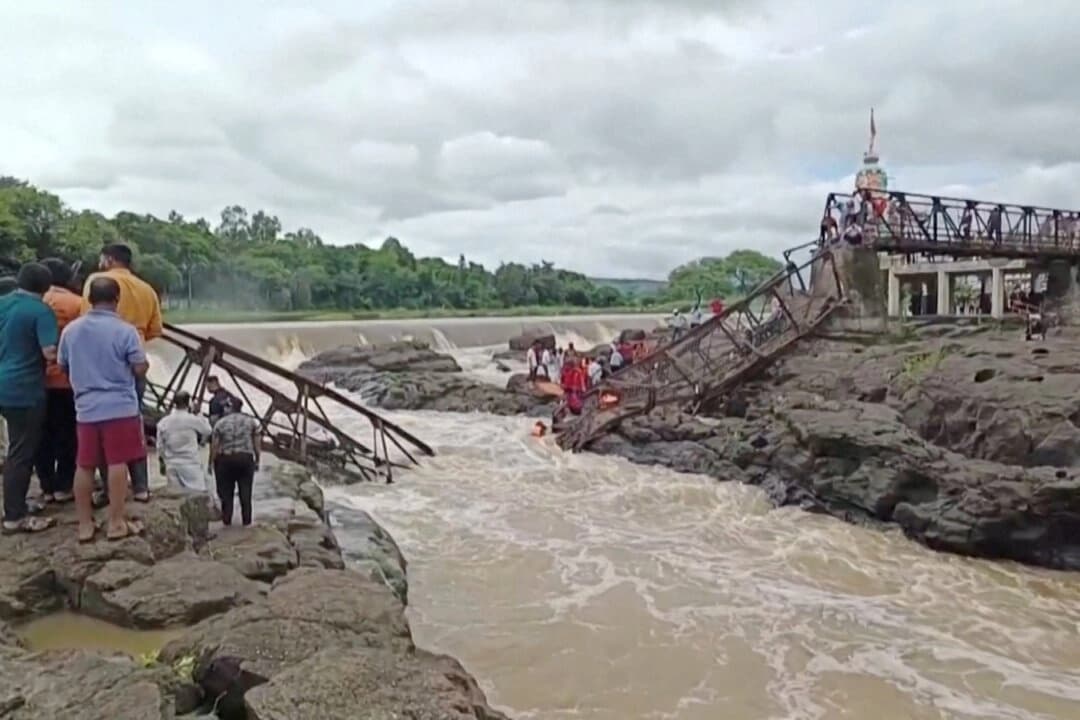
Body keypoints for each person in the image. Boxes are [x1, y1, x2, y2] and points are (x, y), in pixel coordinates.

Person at [60, 276, 148, 542]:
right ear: (117, 299)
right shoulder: (125, 331)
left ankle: (85, 526)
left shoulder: (71, 331)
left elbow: (63, 365)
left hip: (86, 408)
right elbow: (139, 367)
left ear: (89, 299)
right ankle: (115, 523)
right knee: (117, 462)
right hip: (120, 407)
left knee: (85, 465)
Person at [81, 244, 161, 503]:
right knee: (134, 422)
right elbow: (154, 330)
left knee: (104, 428)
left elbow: (86, 318)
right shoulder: (146, 289)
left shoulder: (96, 280)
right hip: (134, 361)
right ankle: (141, 487)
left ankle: (109, 490)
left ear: (109, 259)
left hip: (100, 363)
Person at [0, 264, 59, 533]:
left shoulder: (3, 303)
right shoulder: (40, 311)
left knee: (15, 447)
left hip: (3, 383)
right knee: (21, 453)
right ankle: (14, 516)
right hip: (23, 388)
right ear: (47, 288)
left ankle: (18, 503)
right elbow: (50, 353)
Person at [35, 258, 81, 504]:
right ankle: (65, 485)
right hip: (67, 380)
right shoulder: (77, 304)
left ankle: (46, 486)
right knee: (68, 434)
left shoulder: (36, 302)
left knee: (42, 436)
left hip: (37, 380)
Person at [211, 397, 260, 527]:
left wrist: (211, 462)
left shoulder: (220, 423)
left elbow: (215, 445)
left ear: (229, 407)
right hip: (245, 458)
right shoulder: (251, 422)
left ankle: (227, 520)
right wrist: (257, 459)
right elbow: (256, 442)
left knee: (226, 491)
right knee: (246, 490)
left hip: (226, 459)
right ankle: (247, 521)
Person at [156, 390, 212, 492]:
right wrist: (199, 413)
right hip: (190, 464)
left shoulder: (163, 422)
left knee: (176, 498)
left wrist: (162, 463)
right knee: (197, 494)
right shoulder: (191, 419)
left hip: (171, 464)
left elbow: (160, 446)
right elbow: (207, 430)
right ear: (188, 403)